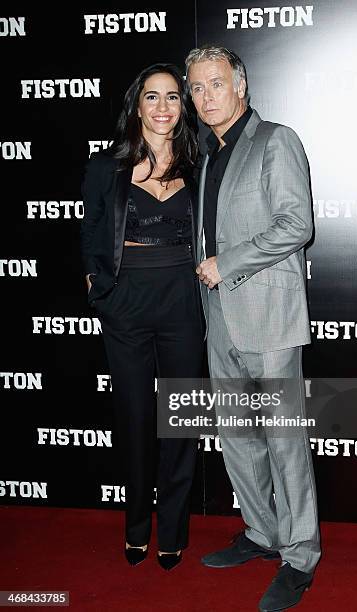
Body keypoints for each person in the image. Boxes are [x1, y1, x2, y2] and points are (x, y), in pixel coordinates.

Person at [186, 44, 321, 610]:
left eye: (215, 84)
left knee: (285, 443)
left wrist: (228, 263)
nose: (205, 97)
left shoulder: (276, 140)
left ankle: (299, 555)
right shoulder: (209, 154)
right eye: (196, 88)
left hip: (269, 317)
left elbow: (297, 224)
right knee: (239, 439)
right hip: (220, 318)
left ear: (240, 84)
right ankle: (262, 533)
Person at [80, 63, 204, 571]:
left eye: (172, 97)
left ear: (182, 106)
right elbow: (89, 231)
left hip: (182, 301)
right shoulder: (104, 166)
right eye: (152, 97)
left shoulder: (202, 164)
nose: (162, 107)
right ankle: (136, 526)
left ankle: (172, 530)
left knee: (179, 421)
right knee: (133, 419)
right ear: (137, 105)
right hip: (126, 301)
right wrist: (97, 285)